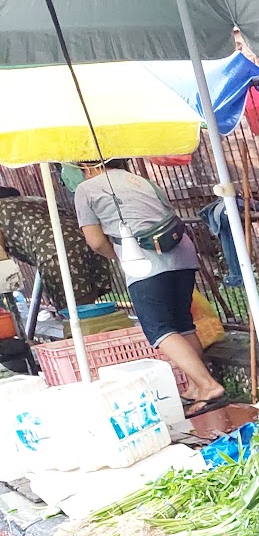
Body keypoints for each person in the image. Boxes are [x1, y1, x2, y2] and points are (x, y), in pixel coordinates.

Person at [73, 160, 231, 417]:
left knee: (159, 329)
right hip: (182, 254)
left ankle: (208, 386)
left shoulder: (86, 189)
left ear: (87, 165)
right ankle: (195, 385)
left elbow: (95, 241)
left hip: (145, 263)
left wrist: (121, 257)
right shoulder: (143, 181)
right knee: (182, 322)